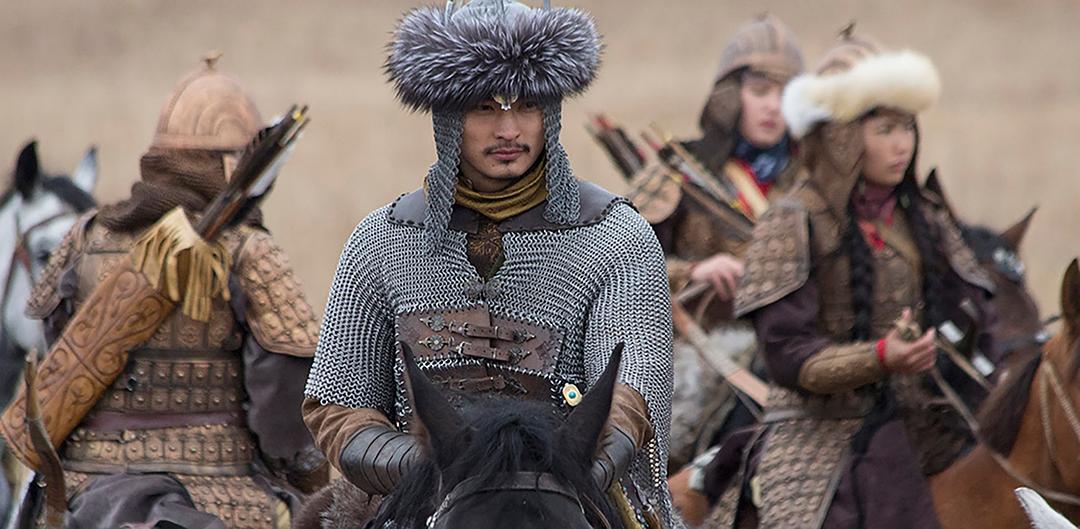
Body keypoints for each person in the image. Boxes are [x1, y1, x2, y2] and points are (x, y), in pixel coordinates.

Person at [302, 1, 675, 526]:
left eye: (527, 106)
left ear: (550, 112)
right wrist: (430, 464)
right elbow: (339, 404)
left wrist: (569, 463)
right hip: (419, 491)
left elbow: (632, 391)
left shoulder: (614, 237)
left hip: (570, 490)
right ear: (448, 116)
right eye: (484, 108)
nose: (508, 130)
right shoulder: (381, 241)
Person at [20, 56, 326, 528]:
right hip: (220, 494)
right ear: (233, 164)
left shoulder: (83, 238)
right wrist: (308, 478)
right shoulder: (248, 251)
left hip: (84, 494)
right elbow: (284, 406)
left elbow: (49, 340)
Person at [707, 33, 997, 528]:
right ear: (840, 134)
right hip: (815, 431)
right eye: (885, 129)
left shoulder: (926, 218)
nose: (902, 144)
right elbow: (788, 356)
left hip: (927, 423)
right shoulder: (791, 220)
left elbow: (980, 319)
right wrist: (881, 356)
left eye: (907, 127)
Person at [633, 14, 805, 472]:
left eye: (785, 93)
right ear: (731, 97)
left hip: (795, 346)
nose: (773, 107)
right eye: (760, 91)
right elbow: (619, 261)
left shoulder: (813, 181)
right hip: (701, 348)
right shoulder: (679, 169)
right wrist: (695, 272)